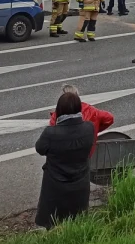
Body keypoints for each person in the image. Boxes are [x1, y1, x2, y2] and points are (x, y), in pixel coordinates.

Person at [34, 92, 96, 230]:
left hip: (56, 185)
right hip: (80, 183)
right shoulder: (89, 128)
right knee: (77, 219)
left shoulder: (51, 133)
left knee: (53, 221)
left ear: (59, 110)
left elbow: (40, 148)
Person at [47, 85, 115, 153]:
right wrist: (95, 129)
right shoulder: (91, 111)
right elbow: (109, 118)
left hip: (64, 157)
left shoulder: (57, 115)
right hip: (87, 155)